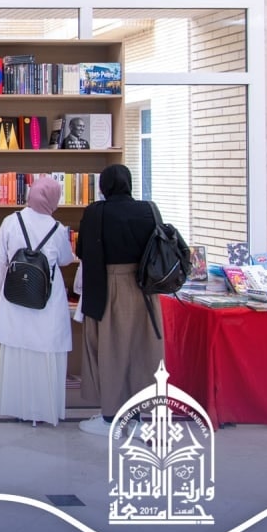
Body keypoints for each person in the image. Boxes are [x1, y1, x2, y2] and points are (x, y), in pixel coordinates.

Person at [74, 163, 162, 436]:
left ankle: (111, 418)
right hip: (144, 289)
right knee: (140, 350)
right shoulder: (149, 209)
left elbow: (82, 251)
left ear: (103, 186)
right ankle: (136, 417)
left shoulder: (95, 212)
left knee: (110, 349)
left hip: (108, 286)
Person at [0, 176, 77, 426]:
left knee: (18, 352)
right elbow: (65, 260)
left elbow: (0, 261)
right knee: (44, 353)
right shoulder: (57, 229)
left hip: (15, 296)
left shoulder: (11, 221)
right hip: (46, 300)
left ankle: (17, 407)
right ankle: (43, 411)